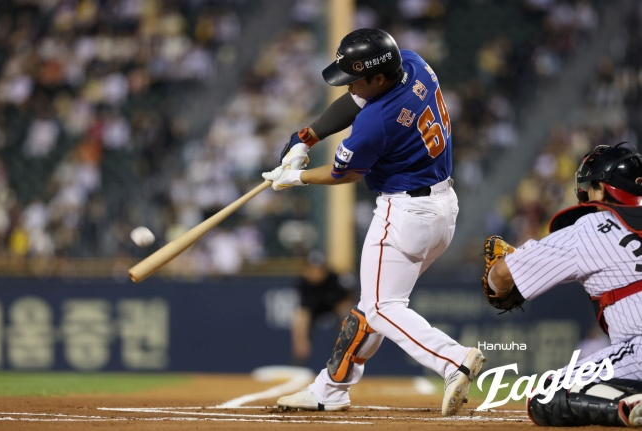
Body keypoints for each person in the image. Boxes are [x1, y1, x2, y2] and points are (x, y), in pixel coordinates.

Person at [262, 28, 485, 416]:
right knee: (371, 307)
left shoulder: (377, 122)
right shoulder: (413, 63)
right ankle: (330, 389)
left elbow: (343, 173)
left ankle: (453, 359)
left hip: (405, 213)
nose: (349, 85)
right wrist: (306, 137)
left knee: (381, 308)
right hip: (441, 208)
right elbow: (356, 99)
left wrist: (295, 177)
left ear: (378, 77)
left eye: (356, 77)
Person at [485, 143, 642, 427]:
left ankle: (631, 406)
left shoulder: (592, 226)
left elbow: (502, 276)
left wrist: (495, 277)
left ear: (603, 190)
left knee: (546, 393)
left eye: (591, 187)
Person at [290, 250, 356, 366]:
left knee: (347, 311)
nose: (316, 272)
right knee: (300, 317)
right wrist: (301, 339)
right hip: (313, 310)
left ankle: (347, 350)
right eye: (312, 269)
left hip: (333, 307)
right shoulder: (303, 283)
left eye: (319, 269)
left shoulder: (335, 279)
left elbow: (348, 299)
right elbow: (303, 309)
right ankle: (300, 359)